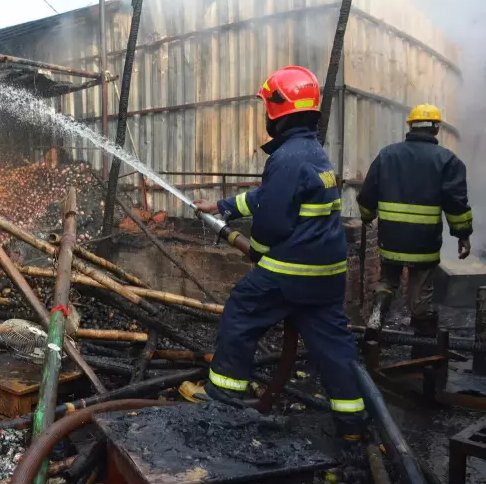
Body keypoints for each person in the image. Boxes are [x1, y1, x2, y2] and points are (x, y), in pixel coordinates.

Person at [193, 66, 366, 441]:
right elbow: (268, 197)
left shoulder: (286, 158)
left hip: (293, 272)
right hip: (327, 274)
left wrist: (256, 250)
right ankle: (352, 422)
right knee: (333, 344)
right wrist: (222, 206)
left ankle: (223, 396)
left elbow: (271, 222)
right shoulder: (312, 153)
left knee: (242, 310)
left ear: (277, 110)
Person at [357, 104, 472, 356]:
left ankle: (376, 315)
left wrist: (367, 216)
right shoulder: (448, 160)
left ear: (410, 126)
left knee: (387, 280)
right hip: (424, 242)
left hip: (391, 238)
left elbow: (367, 195)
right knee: (421, 296)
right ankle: (422, 353)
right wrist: (462, 234)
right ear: (436, 129)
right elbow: (456, 204)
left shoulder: (387, 155)